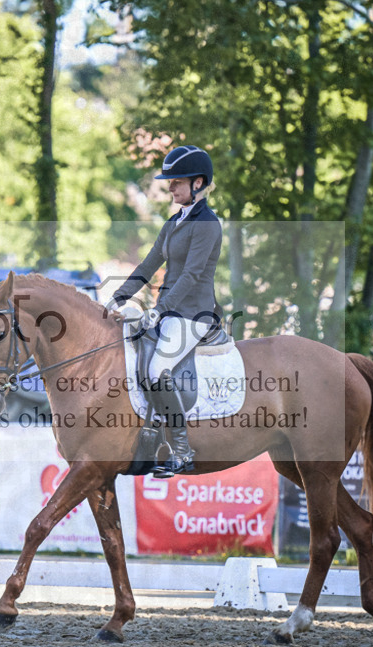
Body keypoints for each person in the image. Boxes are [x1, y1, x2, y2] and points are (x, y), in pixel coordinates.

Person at [106, 145, 222, 478]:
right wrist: (118, 297)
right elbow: (149, 264)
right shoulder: (174, 223)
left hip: (193, 315)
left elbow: (193, 274)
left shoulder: (208, 224)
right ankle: (147, 436)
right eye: (169, 182)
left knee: (158, 370)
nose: (170, 188)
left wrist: (160, 310)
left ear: (198, 183)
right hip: (169, 312)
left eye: (176, 182)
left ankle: (182, 451)